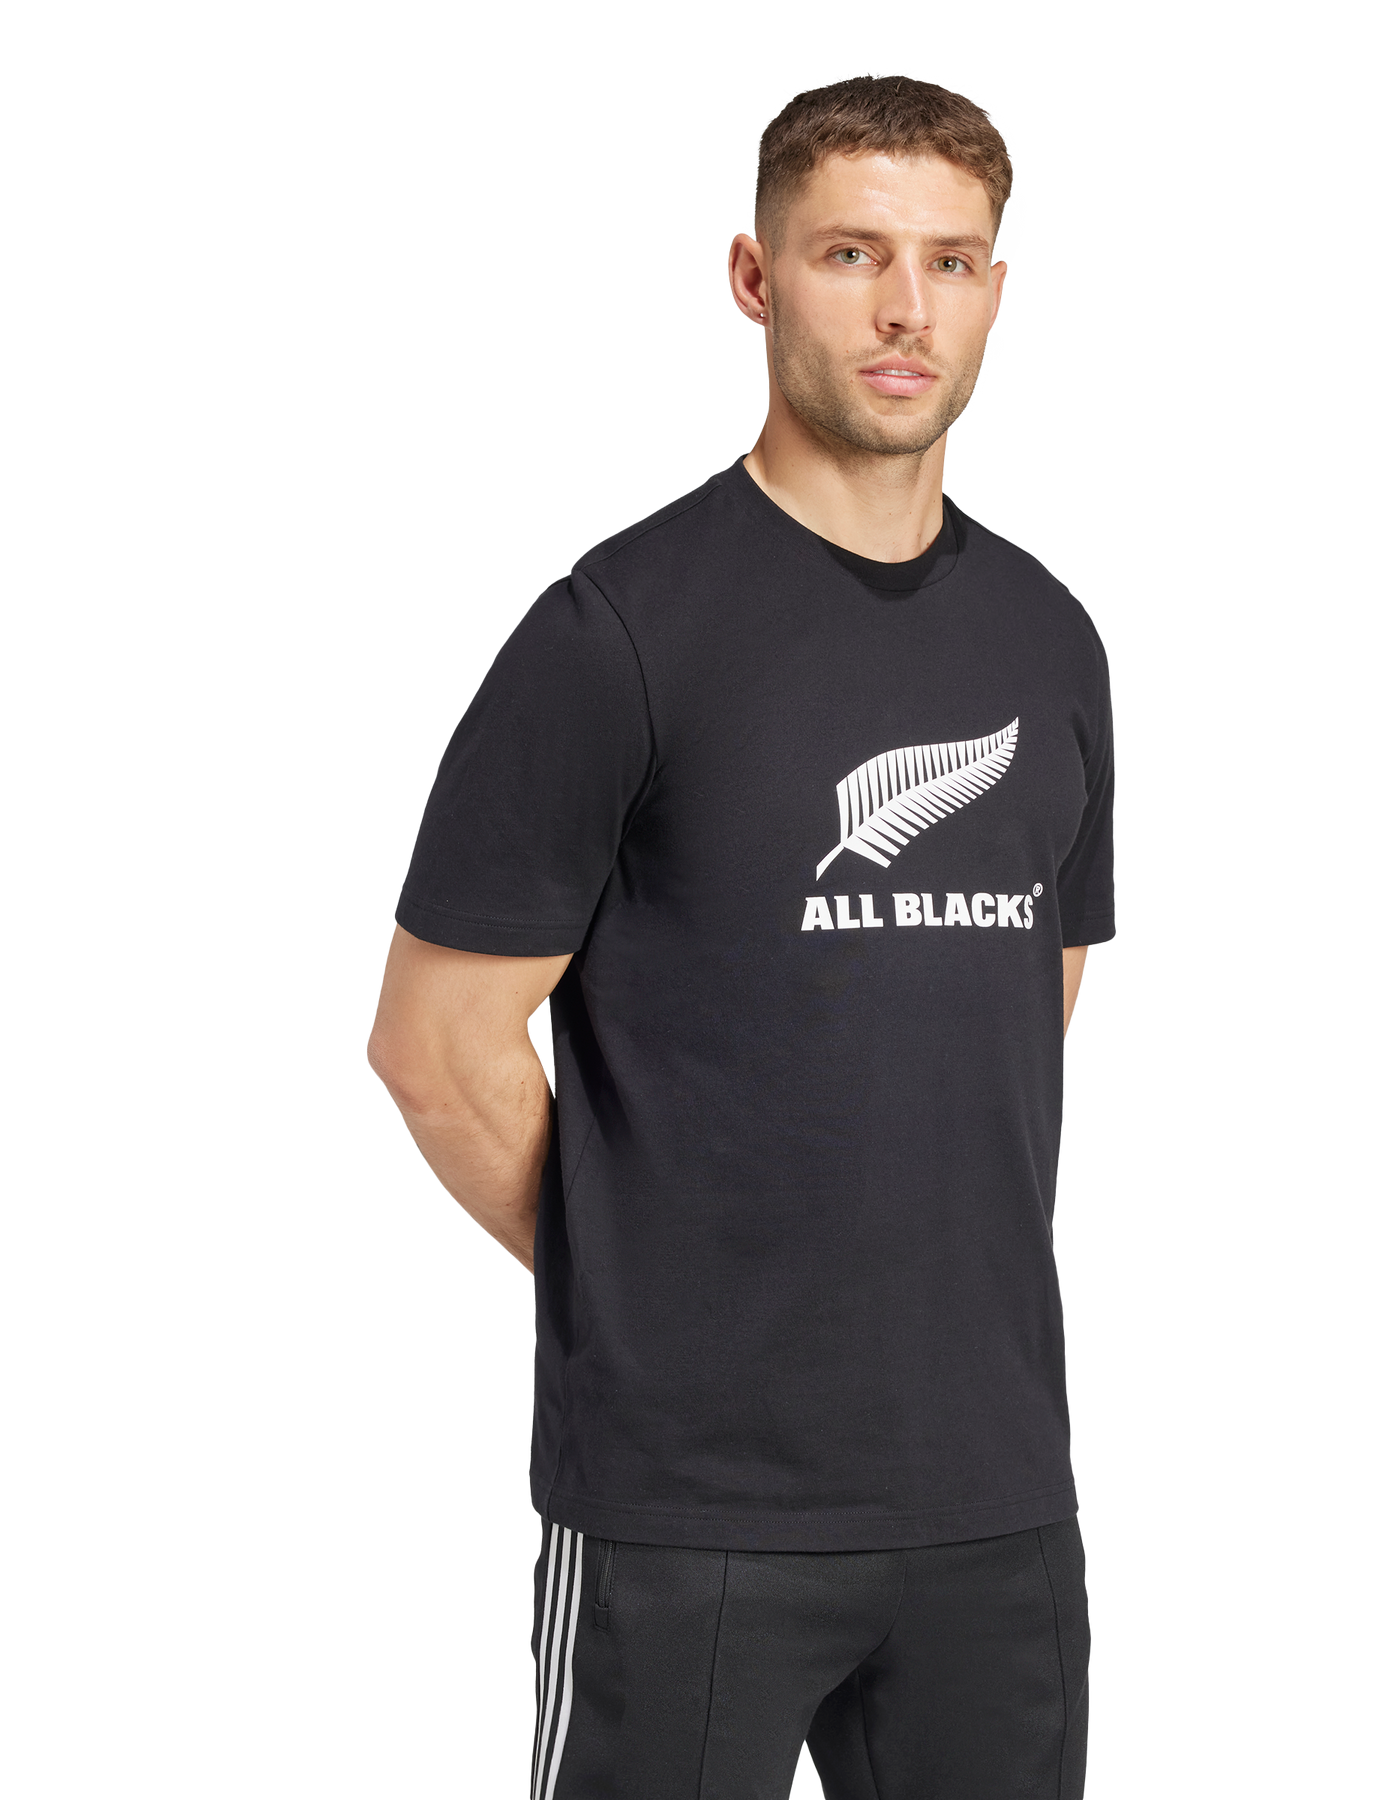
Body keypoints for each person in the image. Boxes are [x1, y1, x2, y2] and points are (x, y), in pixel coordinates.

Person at [364, 65, 1115, 1800]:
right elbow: (432, 1045)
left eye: (952, 260)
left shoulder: (1050, 638)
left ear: (996, 289)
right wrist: (649, 1283)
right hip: (688, 1507)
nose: (908, 309)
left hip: (996, 1496)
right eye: (854, 254)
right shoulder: (615, 630)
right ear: (754, 276)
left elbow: (1026, 1004)